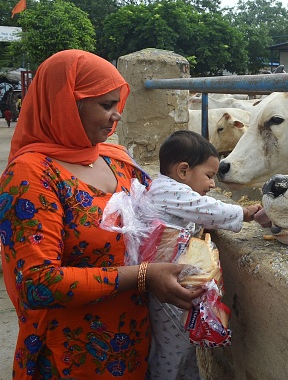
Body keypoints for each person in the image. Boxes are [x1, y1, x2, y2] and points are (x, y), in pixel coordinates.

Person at [0, 49, 202, 379]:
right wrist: (143, 275)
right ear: (67, 104)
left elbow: (166, 210)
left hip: (133, 343)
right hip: (73, 353)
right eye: (106, 106)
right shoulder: (32, 175)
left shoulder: (115, 158)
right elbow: (38, 283)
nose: (117, 115)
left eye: (117, 104)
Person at [144, 129, 267, 379]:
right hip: (167, 290)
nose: (212, 184)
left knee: (184, 345)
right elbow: (205, 209)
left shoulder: (166, 190)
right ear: (183, 171)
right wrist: (243, 212)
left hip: (172, 284)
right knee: (172, 348)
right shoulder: (169, 190)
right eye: (209, 176)